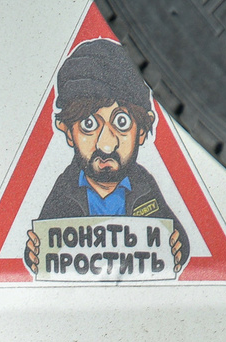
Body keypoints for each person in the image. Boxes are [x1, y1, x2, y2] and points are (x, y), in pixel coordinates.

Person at [35, 39, 190, 272]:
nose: (106, 145)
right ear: (68, 132)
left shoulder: (144, 187)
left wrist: (178, 247)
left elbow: (173, 236)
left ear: (142, 129)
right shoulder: (64, 191)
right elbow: (45, 248)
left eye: (121, 122)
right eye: (89, 124)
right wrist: (35, 253)